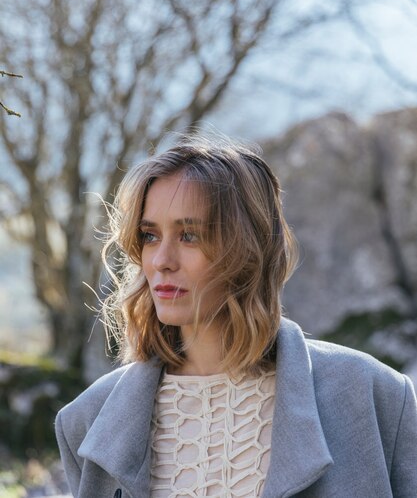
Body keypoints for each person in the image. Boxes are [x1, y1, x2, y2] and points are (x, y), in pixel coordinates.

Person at [55, 133, 417, 498]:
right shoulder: (88, 421)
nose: (161, 260)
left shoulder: (371, 396)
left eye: (189, 235)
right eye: (150, 236)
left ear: (247, 248)